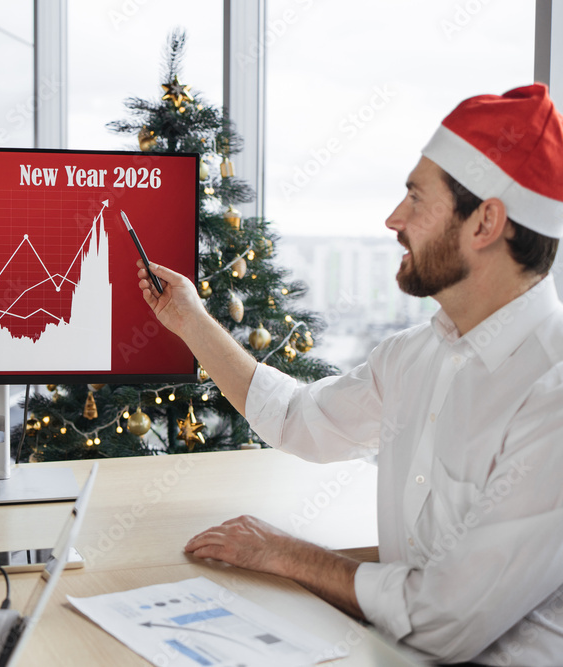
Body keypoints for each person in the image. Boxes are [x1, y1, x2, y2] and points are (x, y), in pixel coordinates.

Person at [138, 83, 563, 665]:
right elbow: (295, 420)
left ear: (485, 223)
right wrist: (189, 320)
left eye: (416, 198)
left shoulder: (553, 390)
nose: (394, 219)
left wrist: (285, 554)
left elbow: (442, 621)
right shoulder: (413, 357)